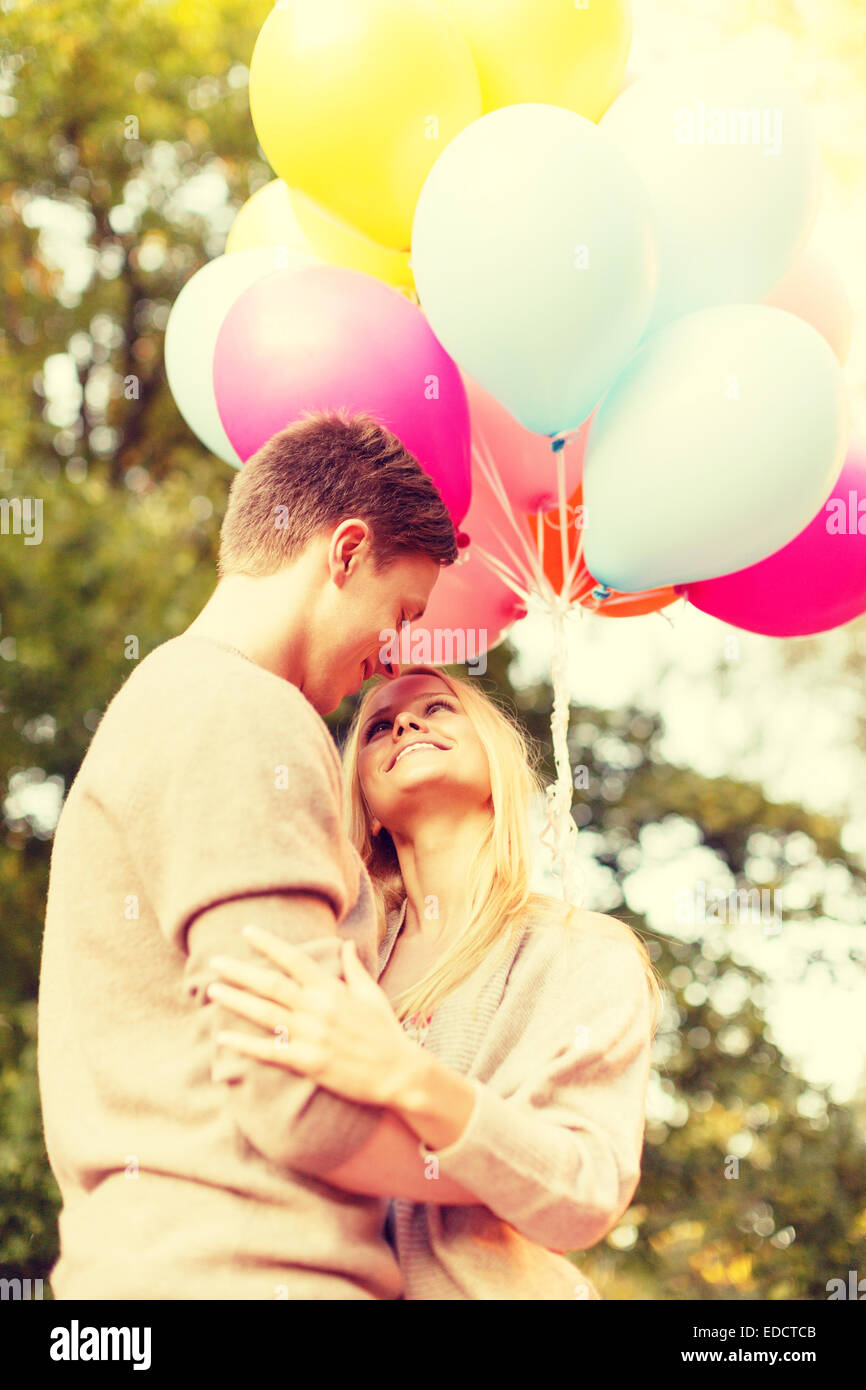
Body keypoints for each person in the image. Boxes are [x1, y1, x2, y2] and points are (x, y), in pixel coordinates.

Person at [37, 409, 459, 1300]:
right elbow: (298, 1100)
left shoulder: (170, 701)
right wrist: (500, 1174)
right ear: (344, 553)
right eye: (403, 612)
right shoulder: (245, 713)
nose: (396, 659)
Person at [208, 663, 664, 1300]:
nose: (406, 725)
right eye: (378, 729)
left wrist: (404, 1075)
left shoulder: (583, 952)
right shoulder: (337, 963)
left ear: (496, 770)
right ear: (365, 811)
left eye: (437, 708)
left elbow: (582, 1191)